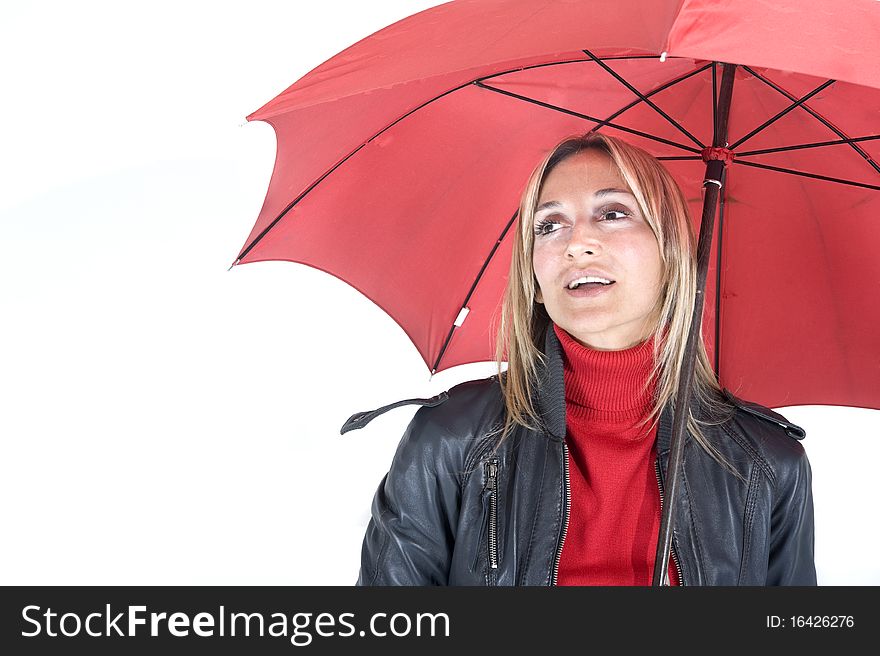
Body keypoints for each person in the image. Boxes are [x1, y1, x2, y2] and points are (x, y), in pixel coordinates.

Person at [350, 133, 816, 586]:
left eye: (612, 213)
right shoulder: (450, 438)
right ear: (532, 276)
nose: (576, 244)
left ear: (672, 254)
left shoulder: (770, 465)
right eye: (548, 226)